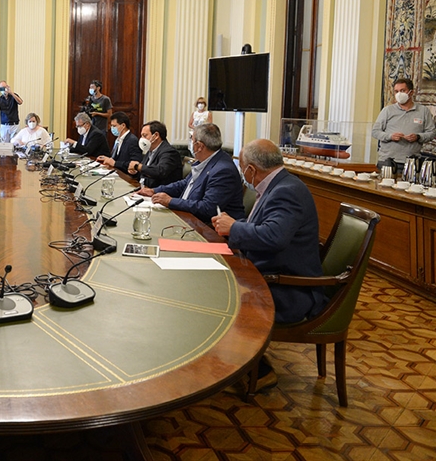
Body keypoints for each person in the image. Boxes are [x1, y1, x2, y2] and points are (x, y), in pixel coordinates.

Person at [212, 139, 328, 390]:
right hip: (269, 273)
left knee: (219, 294)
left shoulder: (287, 190)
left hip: (289, 289)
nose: (243, 174)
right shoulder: (278, 185)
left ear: (251, 169)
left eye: (243, 168)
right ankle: (237, 359)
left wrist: (234, 228)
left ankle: (259, 370)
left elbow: (274, 237)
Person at [137, 124, 244, 225]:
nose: (191, 144)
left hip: (206, 228)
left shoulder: (223, 170)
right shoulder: (205, 160)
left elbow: (208, 208)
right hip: (187, 217)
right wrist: (154, 191)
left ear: (199, 146)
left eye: (192, 140)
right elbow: (184, 184)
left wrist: (170, 201)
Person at [371, 78, 436, 171]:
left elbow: (432, 132)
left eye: (402, 90)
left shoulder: (423, 111)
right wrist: (390, 136)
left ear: (411, 92)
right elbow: (375, 131)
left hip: (411, 163)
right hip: (387, 161)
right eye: (396, 91)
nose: (399, 94)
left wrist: (418, 137)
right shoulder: (387, 110)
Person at [127, 121, 181, 188]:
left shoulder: (169, 152)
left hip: (159, 193)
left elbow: (160, 172)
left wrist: (138, 166)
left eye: (145, 135)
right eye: (141, 136)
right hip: (144, 189)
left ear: (156, 136)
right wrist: (135, 171)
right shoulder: (150, 150)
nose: (142, 139)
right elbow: (145, 172)